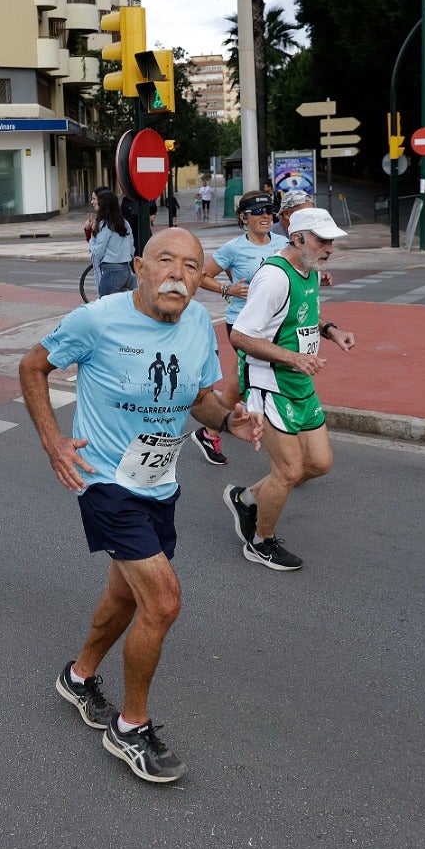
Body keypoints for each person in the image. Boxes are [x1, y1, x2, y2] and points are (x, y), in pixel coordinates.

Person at [20, 227, 261, 784]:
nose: (178, 274)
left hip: (159, 481)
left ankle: (79, 678)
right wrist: (53, 440)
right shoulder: (98, 320)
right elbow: (33, 366)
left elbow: (200, 398)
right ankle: (130, 727)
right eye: (166, 261)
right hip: (106, 483)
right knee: (164, 602)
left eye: (192, 267)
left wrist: (228, 418)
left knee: (124, 593)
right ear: (140, 267)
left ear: (203, 280)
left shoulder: (201, 323)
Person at [225, 208, 357, 572]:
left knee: (319, 463)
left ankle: (247, 498)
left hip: (299, 382)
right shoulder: (273, 278)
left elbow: (303, 314)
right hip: (270, 384)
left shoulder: (309, 268)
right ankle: (260, 542)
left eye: (331, 241)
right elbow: (240, 336)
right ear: (297, 238)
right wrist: (292, 358)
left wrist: (330, 331)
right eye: (321, 240)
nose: (328, 247)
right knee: (288, 471)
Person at [191, 191, 289, 466]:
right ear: (244, 217)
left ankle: (210, 431)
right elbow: (202, 276)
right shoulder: (233, 248)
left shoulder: (283, 243)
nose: (265, 216)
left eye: (269, 210)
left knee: (238, 381)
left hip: (275, 323)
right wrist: (228, 289)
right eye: (258, 212)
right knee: (264, 378)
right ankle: (287, 453)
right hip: (242, 323)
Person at [87, 190, 135, 298]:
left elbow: (98, 251)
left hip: (111, 270)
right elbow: (131, 247)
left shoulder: (105, 225)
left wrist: (92, 242)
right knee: (122, 305)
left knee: (107, 306)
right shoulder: (124, 223)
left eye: (97, 201)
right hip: (126, 269)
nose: (94, 203)